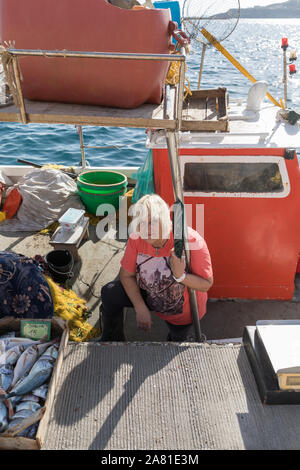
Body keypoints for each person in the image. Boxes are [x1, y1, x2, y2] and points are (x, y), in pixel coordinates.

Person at [100, 194, 213, 342]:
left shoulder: (191, 240)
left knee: (175, 342)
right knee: (109, 292)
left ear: (165, 221)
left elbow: (206, 284)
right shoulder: (136, 238)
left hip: (180, 309)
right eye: (140, 222)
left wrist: (181, 276)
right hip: (149, 294)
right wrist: (140, 307)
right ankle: (111, 339)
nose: (146, 229)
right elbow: (126, 275)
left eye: (152, 221)